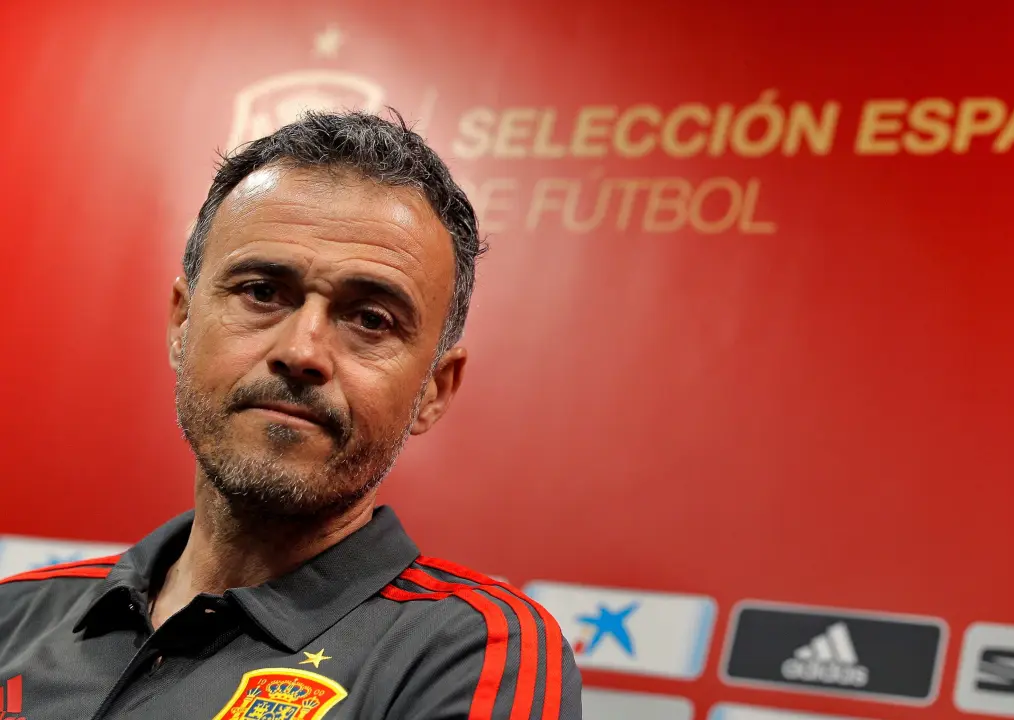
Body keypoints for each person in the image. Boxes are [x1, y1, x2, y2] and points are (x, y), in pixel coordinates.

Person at [0, 110, 583, 720]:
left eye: (371, 319)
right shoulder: (14, 615)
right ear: (181, 323)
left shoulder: (471, 652)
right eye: (261, 292)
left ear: (435, 389)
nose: (302, 352)